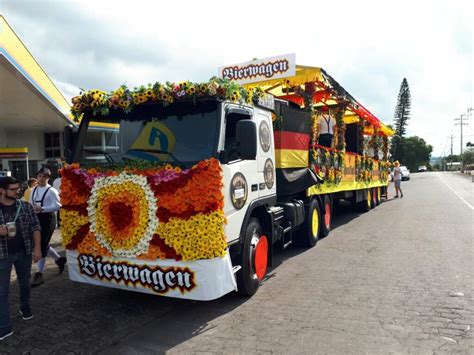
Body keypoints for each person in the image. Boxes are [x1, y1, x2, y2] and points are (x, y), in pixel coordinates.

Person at [0, 176, 41, 341]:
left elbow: (35, 227)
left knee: (25, 284)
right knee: (2, 291)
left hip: (24, 252)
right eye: (13, 189)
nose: (18, 191)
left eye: (18, 188)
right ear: (1, 191)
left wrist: (37, 248)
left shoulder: (25, 206)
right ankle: (4, 327)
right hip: (2, 255)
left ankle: (25, 307)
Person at [29, 168, 65, 287]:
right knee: (42, 243)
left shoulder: (52, 190)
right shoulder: (33, 190)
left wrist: (43, 209)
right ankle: (59, 259)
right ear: (37, 176)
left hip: (48, 220)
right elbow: (30, 204)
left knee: (42, 245)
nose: (41, 178)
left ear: (48, 178)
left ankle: (39, 273)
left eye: (44, 176)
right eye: (40, 176)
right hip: (36, 218)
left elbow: (59, 206)